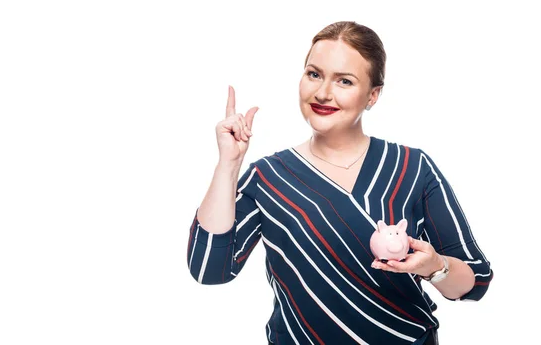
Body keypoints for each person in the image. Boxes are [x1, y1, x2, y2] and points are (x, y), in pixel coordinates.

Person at [186, 21, 493, 345]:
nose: (322, 93)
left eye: (344, 81)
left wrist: (434, 266)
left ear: (372, 95)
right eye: (314, 74)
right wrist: (229, 165)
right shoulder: (269, 177)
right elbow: (209, 269)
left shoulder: (411, 168)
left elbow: (476, 282)